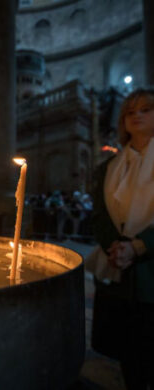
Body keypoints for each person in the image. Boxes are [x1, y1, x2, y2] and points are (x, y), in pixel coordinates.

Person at [87, 88, 154, 389]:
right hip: (119, 269)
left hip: (150, 268)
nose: (136, 116)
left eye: (145, 110)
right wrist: (115, 246)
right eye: (130, 112)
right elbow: (98, 214)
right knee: (131, 353)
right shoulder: (109, 168)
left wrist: (139, 246)